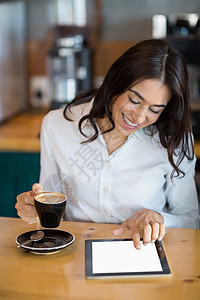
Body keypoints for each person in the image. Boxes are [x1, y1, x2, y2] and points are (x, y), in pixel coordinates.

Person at [16, 39, 200, 250]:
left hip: (142, 255)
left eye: (155, 110)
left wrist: (159, 219)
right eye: (134, 100)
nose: (139, 117)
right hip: (74, 256)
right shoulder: (57, 125)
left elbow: (191, 219)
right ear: (117, 83)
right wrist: (34, 210)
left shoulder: (173, 139)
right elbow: (49, 206)